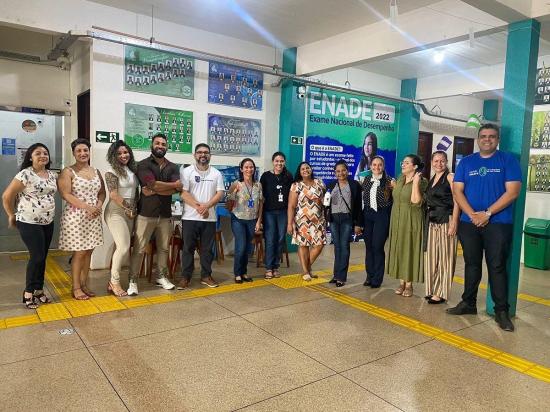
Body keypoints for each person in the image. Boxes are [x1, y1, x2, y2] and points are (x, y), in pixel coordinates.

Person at [447, 124, 521, 332]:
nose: (487, 139)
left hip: (498, 223)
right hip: (469, 223)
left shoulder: (508, 160)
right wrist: (472, 214)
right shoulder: (467, 162)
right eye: (483, 136)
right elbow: (457, 191)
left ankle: (501, 312)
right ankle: (468, 303)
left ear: (497, 140)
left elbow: (513, 192)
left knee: (496, 266)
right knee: (471, 264)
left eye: (492, 136)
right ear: (478, 139)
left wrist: (487, 213)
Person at [2, 143, 58, 308]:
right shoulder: (25, 174)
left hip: (48, 221)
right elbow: (6, 196)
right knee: (37, 257)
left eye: (45, 153)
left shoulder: (52, 175)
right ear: (30, 157)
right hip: (28, 221)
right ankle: (28, 293)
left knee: (43, 257)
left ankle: (39, 291)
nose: (42, 156)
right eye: (38, 153)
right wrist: (11, 215)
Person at [127, 133, 181, 295]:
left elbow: (176, 189)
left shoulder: (173, 167)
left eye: (163, 144)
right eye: (157, 143)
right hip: (145, 214)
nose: (160, 146)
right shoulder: (142, 164)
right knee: (139, 249)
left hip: (165, 215)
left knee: (164, 248)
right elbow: (151, 184)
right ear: (151, 145)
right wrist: (169, 186)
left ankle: (161, 277)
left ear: (167, 147)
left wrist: (156, 188)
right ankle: (132, 280)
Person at [58, 139, 106, 300]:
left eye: (85, 150)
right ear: (73, 153)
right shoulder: (68, 172)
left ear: (89, 151)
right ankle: (76, 287)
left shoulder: (96, 171)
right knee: (79, 253)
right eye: (79, 151)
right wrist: (88, 207)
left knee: (89, 251)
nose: (83, 153)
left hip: (93, 217)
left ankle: (84, 284)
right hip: (76, 218)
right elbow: (66, 194)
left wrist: (98, 206)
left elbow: (102, 193)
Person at [179, 143, 225, 289]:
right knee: (188, 248)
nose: (203, 155)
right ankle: (186, 276)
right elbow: (183, 193)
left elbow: (220, 193)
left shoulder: (216, 173)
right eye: (199, 152)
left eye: (206, 152)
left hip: (209, 218)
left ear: (210, 155)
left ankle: (206, 275)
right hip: (189, 217)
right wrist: (199, 207)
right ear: (195, 155)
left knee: (206, 249)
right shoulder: (186, 172)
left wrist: (207, 206)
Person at [386, 154, 428, 297]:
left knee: (409, 249)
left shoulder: (422, 181)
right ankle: (401, 282)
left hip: (411, 220)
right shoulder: (400, 178)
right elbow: (398, 196)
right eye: (403, 162)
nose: (403, 165)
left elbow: (416, 202)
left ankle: (409, 284)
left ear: (415, 167)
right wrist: (395, 186)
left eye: (407, 163)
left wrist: (415, 183)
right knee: (399, 248)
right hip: (397, 219)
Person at [424, 151, 460, 304]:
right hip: (432, 220)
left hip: (447, 219)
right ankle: (431, 289)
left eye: (442, 161)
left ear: (446, 162)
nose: (439, 164)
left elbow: (457, 200)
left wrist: (454, 222)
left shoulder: (450, 177)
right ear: (432, 162)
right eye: (436, 161)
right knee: (431, 257)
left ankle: (441, 292)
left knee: (446, 258)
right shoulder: (432, 179)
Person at [104, 141, 138, 297]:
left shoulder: (132, 169)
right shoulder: (111, 171)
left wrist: (134, 208)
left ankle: (113, 281)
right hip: (116, 211)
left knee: (123, 246)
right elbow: (113, 194)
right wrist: (128, 208)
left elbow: (135, 191)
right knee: (124, 246)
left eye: (126, 152)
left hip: (130, 211)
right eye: (119, 153)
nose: (123, 155)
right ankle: (114, 282)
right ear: (113, 156)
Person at [287, 161, 326, 281]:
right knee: (303, 245)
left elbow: (325, 199)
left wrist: (323, 202)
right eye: (302, 169)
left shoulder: (319, 183)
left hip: (318, 220)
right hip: (302, 221)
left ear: (311, 169)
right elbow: (291, 206)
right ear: (299, 172)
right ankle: (305, 271)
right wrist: (289, 223)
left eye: (307, 168)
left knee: (319, 245)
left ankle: (307, 268)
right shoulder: (296, 186)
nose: (305, 170)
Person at [326, 160, 362, 287]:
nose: (340, 173)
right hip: (334, 219)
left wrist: (358, 223)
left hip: (347, 218)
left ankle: (342, 277)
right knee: (337, 247)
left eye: (343, 170)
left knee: (344, 247)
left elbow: (358, 206)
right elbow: (327, 203)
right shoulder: (331, 185)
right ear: (335, 173)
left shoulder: (354, 185)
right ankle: (336, 275)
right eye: (338, 171)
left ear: (347, 171)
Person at [227, 158, 263, 283]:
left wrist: (259, 221)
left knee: (248, 248)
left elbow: (261, 203)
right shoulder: (236, 184)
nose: (249, 169)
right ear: (241, 169)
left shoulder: (258, 185)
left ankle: (244, 272)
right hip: (238, 219)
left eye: (251, 167)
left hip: (252, 220)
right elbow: (228, 203)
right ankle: (237, 273)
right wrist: (233, 194)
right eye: (246, 167)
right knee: (240, 246)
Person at [361, 155, 394, 288]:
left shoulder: (390, 181)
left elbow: (394, 200)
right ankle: (369, 275)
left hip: (382, 214)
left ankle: (377, 278)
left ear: (383, 166)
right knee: (369, 246)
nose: (377, 167)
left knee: (377, 247)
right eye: (374, 165)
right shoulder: (366, 179)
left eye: (379, 165)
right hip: (368, 214)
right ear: (370, 166)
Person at [260, 152, 293, 279]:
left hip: (283, 213)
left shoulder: (288, 176)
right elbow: (261, 197)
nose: (279, 163)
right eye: (277, 161)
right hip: (269, 213)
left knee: (280, 239)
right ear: (273, 162)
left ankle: (275, 266)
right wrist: (260, 218)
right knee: (270, 240)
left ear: (284, 162)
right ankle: (268, 268)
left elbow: (292, 196)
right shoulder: (266, 176)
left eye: (282, 161)